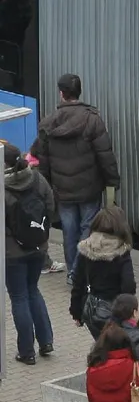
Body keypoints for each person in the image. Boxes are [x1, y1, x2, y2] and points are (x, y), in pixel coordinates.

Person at [32, 73, 120, 288]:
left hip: (62, 190)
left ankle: (73, 274)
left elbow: (42, 162)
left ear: (61, 93)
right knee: (87, 230)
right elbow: (105, 156)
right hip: (89, 189)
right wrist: (112, 182)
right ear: (79, 92)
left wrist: (47, 188)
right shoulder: (93, 120)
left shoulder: (48, 123)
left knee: (69, 232)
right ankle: (82, 273)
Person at [4, 141, 55, 364]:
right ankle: (46, 341)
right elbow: (51, 205)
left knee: (19, 297)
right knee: (33, 290)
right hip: (38, 247)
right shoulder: (36, 178)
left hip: (11, 253)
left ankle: (27, 352)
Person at [69, 207, 135, 341]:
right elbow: (128, 285)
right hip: (114, 310)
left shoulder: (86, 248)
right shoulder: (122, 251)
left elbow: (78, 282)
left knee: (102, 343)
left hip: (91, 309)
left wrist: (76, 311)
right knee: (116, 348)